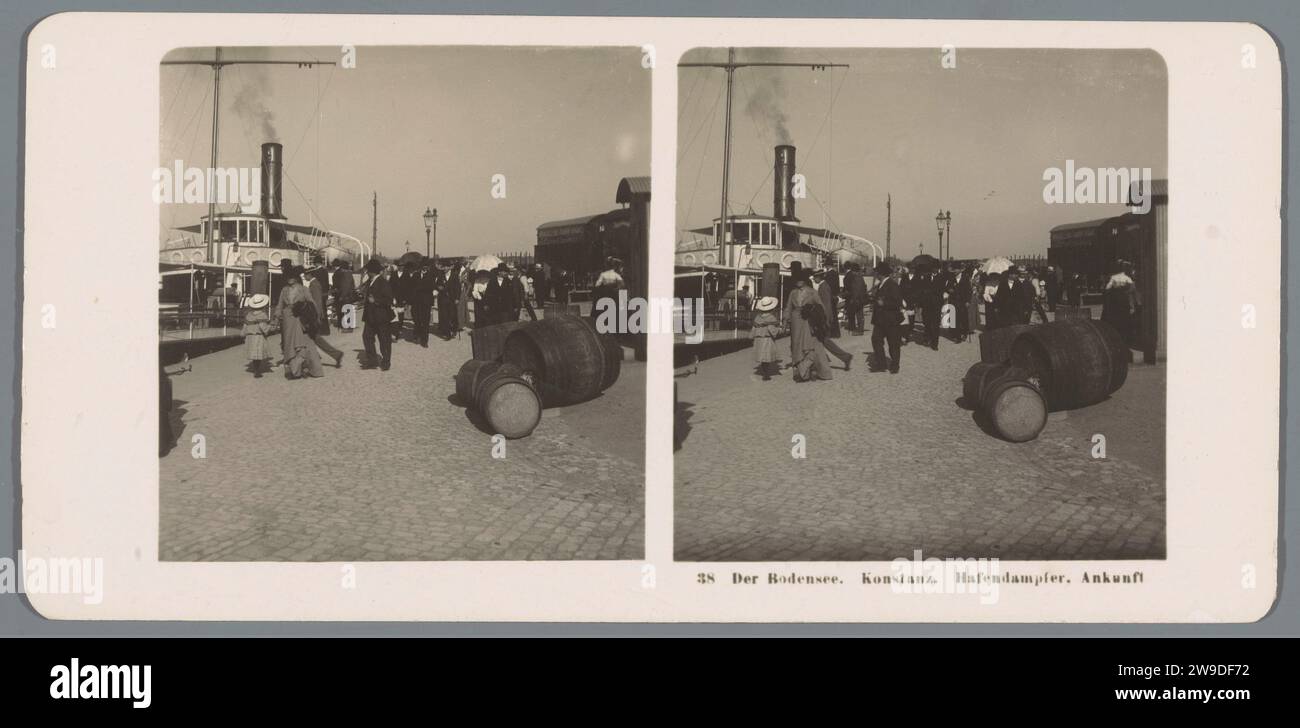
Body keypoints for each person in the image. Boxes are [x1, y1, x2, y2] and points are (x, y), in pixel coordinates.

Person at [278, 266, 324, 379]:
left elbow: (311, 303)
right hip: (287, 320)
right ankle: (295, 371)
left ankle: (313, 370)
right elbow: (280, 304)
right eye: (288, 277)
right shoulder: (284, 290)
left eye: (292, 277)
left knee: (306, 344)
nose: (290, 279)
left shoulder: (304, 289)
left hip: (301, 319)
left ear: (296, 278)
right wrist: (276, 316)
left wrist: (316, 317)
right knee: (289, 345)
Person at [303, 268, 345, 367]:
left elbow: (317, 301)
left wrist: (316, 316)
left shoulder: (314, 285)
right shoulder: (314, 284)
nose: (304, 277)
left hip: (314, 316)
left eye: (305, 275)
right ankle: (331, 355)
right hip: (314, 315)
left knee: (314, 338)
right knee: (314, 338)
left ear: (310, 275)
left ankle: (333, 355)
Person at [812, 270, 852, 369]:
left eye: (815, 278)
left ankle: (845, 357)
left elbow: (826, 305)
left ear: (818, 277)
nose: (814, 279)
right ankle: (840, 357)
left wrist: (826, 320)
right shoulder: (824, 286)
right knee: (823, 341)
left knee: (824, 341)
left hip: (823, 319)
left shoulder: (823, 287)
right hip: (824, 318)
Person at [870, 262, 904, 374]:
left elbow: (898, 302)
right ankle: (881, 364)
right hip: (880, 320)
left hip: (891, 320)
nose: (875, 274)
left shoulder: (892, 285)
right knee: (876, 340)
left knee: (893, 344)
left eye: (877, 272)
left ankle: (895, 366)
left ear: (881, 274)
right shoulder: (880, 284)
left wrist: (883, 303)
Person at [361, 259, 394, 370]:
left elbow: (389, 300)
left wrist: (375, 300)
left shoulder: (383, 282)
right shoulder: (370, 281)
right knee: (367, 337)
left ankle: (386, 362)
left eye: (368, 270)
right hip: (370, 317)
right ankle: (372, 361)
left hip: (381, 317)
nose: (366, 272)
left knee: (384, 340)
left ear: (372, 271)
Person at [783, 270, 820, 369]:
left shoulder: (812, 292)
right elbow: (788, 307)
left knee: (808, 343)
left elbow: (820, 307)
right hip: (795, 319)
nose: (797, 282)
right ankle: (798, 368)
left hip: (808, 319)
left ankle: (808, 368)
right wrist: (785, 322)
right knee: (795, 342)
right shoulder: (793, 292)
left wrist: (820, 321)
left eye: (800, 280)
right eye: (796, 280)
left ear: (804, 280)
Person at [792, 302, 834, 382]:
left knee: (809, 356)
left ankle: (805, 373)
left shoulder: (804, 321)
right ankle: (819, 373)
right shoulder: (815, 316)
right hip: (815, 338)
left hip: (808, 340)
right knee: (819, 355)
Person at [1102, 263, 1138, 344]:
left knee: (1117, 319)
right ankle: (1125, 338)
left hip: (1116, 301)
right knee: (1125, 319)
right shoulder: (1127, 278)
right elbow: (1133, 289)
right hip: (1124, 300)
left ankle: (1117, 337)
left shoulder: (1114, 278)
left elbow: (1107, 288)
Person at [751, 296, 782, 381]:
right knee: (766, 356)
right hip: (767, 339)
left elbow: (754, 328)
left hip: (759, 339)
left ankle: (764, 372)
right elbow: (773, 329)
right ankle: (766, 374)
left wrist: (752, 336)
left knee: (762, 356)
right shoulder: (771, 318)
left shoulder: (757, 317)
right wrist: (778, 331)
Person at [242, 293, 272, 378]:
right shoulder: (262, 315)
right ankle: (257, 371)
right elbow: (263, 328)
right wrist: (270, 327)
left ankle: (256, 369)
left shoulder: (249, 315)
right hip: (258, 336)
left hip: (250, 337)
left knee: (254, 354)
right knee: (258, 354)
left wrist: (243, 334)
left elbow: (245, 326)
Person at [591, 257, 626, 328]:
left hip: (605, 294)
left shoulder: (603, 274)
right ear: (613, 266)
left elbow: (597, 285)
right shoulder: (616, 275)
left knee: (597, 301)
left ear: (606, 265)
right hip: (614, 294)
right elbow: (622, 284)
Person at [410, 259, 436, 347]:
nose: (425, 268)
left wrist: (419, 288)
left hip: (426, 302)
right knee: (416, 319)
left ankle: (424, 341)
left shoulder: (431, 275)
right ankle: (417, 335)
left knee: (425, 321)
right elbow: (412, 287)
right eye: (423, 266)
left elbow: (430, 287)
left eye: (427, 266)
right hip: (416, 301)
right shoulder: (415, 275)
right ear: (421, 267)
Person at [437, 261, 461, 339]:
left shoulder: (454, 275)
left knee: (452, 315)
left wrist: (457, 298)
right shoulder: (440, 275)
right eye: (443, 267)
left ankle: (454, 329)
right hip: (443, 299)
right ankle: (447, 334)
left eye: (446, 267)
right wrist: (438, 287)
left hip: (452, 299)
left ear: (449, 267)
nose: (444, 269)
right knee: (445, 316)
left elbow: (458, 288)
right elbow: (437, 284)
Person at [843, 262, 867, 335]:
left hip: (857, 299)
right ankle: (860, 329)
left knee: (859, 314)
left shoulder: (857, 278)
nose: (852, 273)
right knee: (860, 314)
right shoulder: (860, 277)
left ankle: (860, 330)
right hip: (860, 298)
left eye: (853, 271)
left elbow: (857, 290)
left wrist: (853, 299)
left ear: (854, 271)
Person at [333, 260, 357, 331]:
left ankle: (347, 327)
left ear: (343, 268)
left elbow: (345, 287)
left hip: (346, 296)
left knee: (346, 310)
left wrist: (342, 296)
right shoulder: (349, 274)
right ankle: (349, 327)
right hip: (349, 295)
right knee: (348, 310)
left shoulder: (345, 274)